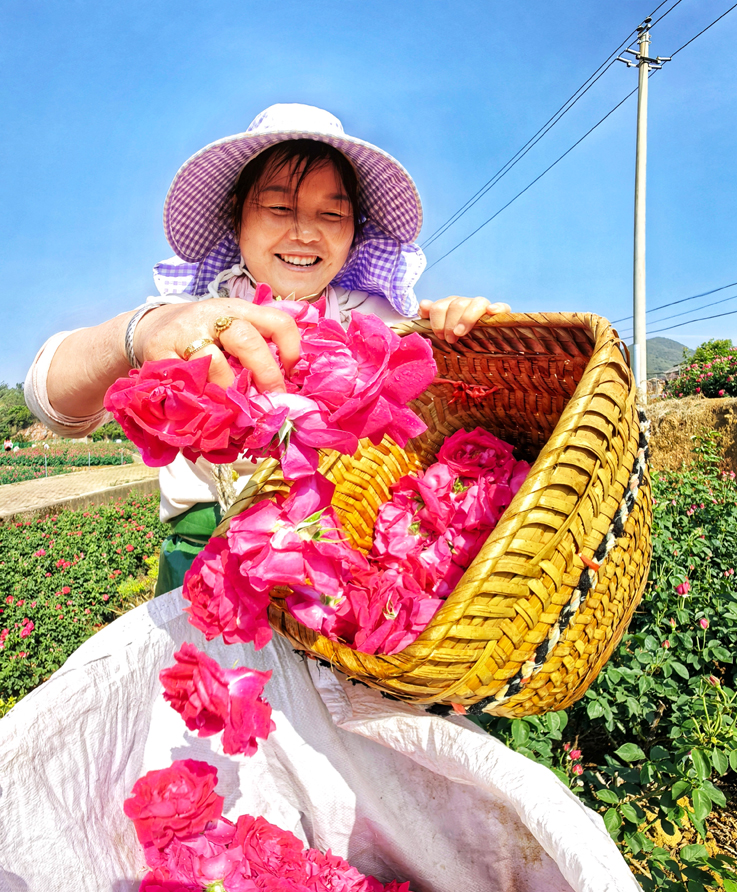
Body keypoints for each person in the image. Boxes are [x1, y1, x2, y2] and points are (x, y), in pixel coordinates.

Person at [25, 103, 511, 593]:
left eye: (332, 213)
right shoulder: (188, 314)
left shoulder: (378, 325)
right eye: (279, 208)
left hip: (336, 566)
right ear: (237, 213)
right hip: (201, 561)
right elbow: (52, 403)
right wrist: (140, 330)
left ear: (355, 229)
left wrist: (467, 326)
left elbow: (449, 393)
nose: (305, 232)